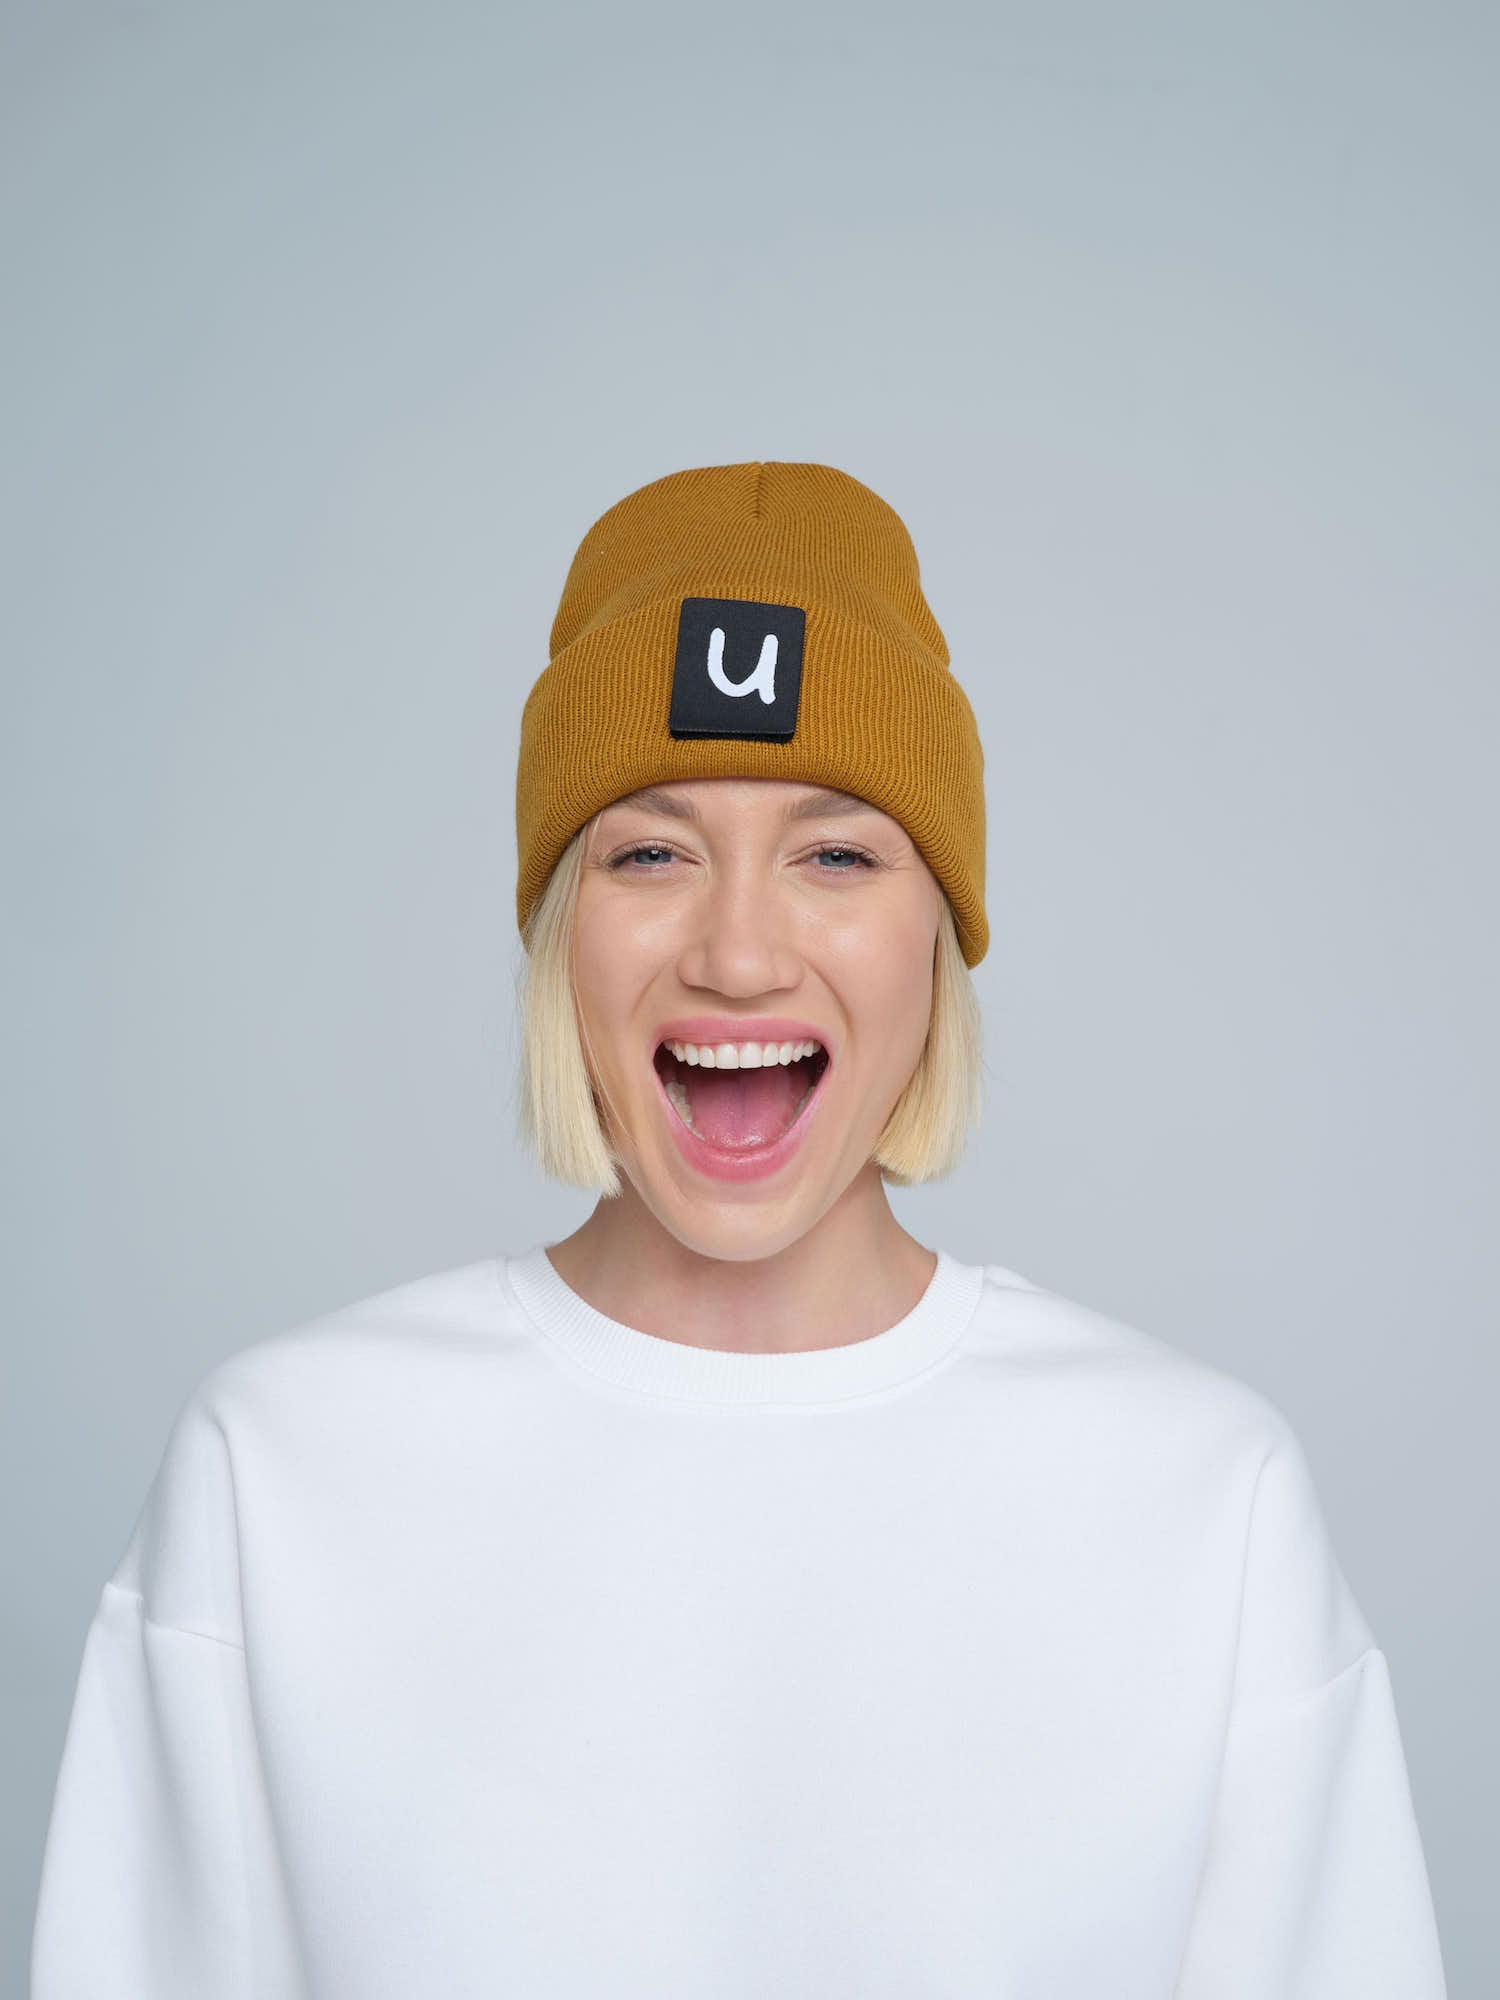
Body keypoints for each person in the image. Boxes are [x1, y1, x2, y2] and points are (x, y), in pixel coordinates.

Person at [30, 461, 1447, 1998]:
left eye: (838, 855)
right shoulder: (279, 1477)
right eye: (650, 853)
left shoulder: (1203, 1508)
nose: (741, 950)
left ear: (939, 940)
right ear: (561, 931)